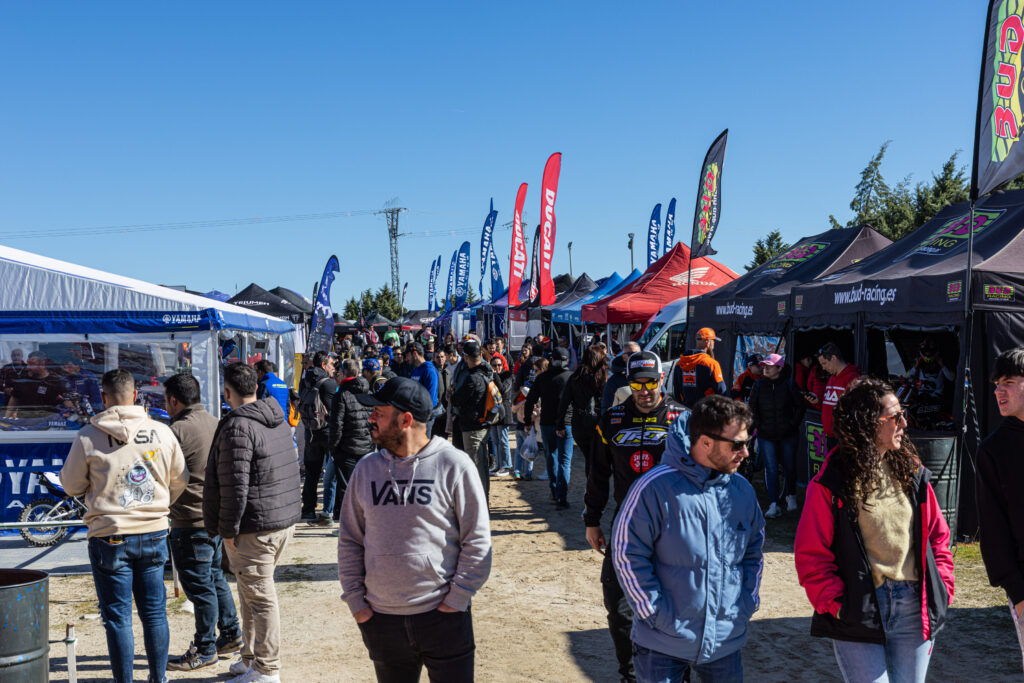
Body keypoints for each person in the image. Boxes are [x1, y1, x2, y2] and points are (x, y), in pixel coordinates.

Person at [794, 377, 954, 683]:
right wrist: (838, 605)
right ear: (867, 423)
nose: (904, 423)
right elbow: (811, 554)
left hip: (913, 605)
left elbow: (938, 536)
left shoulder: (911, 471)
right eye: (895, 417)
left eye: (902, 414)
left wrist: (943, 586)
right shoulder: (831, 481)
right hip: (859, 607)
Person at [338, 377, 492, 682]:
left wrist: (456, 600)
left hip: (443, 618)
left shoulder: (454, 464)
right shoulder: (366, 469)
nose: (371, 419)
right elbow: (350, 539)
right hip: (381, 621)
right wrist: (357, 605)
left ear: (406, 420)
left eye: (379, 413)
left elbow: (477, 541)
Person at [612, 395, 764, 682]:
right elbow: (626, 553)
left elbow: (753, 551)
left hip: (724, 643)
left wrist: (746, 603)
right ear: (705, 442)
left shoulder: (742, 490)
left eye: (748, 442)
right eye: (737, 444)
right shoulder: (653, 488)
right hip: (662, 644)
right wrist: (654, 613)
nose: (745, 453)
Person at [60, 368, 188, 683]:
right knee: (154, 613)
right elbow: (180, 478)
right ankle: (158, 678)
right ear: (135, 395)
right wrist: (158, 506)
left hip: (109, 534)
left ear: (103, 398)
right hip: (153, 531)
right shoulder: (161, 431)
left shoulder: (88, 436)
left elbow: (70, 485)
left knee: (118, 619)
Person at [584, 351, 687, 682]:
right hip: (627, 524)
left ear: (662, 380)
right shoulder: (611, 420)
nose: (644, 391)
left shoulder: (683, 418)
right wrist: (592, 520)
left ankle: (678, 674)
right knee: (618, 605)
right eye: (637, 384)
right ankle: (631, 674)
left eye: (651, 383)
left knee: (676, 604)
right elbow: (598, 474)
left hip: (674, 526)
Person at [204, 362, 301, 683]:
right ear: (256, 387)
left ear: (227, 392)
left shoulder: (238, 426)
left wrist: (227, 531)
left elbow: (235, 487)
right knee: (250, 594)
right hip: (278, 519)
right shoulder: (274, 417)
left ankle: (267, 668)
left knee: (259, 598)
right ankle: (250, 658)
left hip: (256, 525)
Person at [163, 373, 242, 671]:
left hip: (190, 519)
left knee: (200, 587)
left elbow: (164, 473)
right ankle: (231, 633)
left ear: (173, 400)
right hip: (213, 518)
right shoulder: (216, 422)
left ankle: (205, 647)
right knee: (214, 577)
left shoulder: (176, 430)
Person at [976, 347, 1024, 630]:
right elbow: (993, 530)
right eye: (996, 384)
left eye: (1009, 382)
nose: (998, 391)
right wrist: (1018, 593)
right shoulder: (994, 450)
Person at [749, 354, 805, 519]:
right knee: (771, 469)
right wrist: (760, 425)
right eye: (764, 365)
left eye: (769, 365)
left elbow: (800, 407)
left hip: (788, 435)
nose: (765, 368)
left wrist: (792, 425)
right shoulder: (758, 385)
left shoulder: (789, 384)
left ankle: (791, 495)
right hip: (766, 435)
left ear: (779, 368)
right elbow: (752, 408)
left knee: (789, 466)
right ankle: (774, 504)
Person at [524, 347, 574, 509]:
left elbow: (530, 400)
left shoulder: (543, 377)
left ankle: (555, 492)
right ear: (567, 360)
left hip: (547, 423)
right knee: (564, 461)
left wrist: (527, 421)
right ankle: (561, 496)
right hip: (566, 423)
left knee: (551, 458)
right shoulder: (571, 377)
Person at [327, 358, 373, 523]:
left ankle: (346, 523)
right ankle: (365, 520)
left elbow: (336, 425)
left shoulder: (341, 395)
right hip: (366, 447)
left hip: (346, 448)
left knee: (346, 487)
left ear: (343, 373)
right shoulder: (368, 393)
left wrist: (333, 447)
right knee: (364, 486)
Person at [450, 339, 493, 500]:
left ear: (466, 357)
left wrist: (452, 395)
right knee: (480, 465)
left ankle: (481, 503)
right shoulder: (487, 371)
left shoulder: (472, 378)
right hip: (482, 424)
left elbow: (457, 399)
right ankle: (482, 501)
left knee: (476, 468)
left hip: (473, 426)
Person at [299, 351, 338, 522]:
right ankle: (330, 510)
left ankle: (308, 509)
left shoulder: (305, 381)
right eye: (331, 364)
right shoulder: (329, 383)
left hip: (311, 432)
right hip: (327, 432)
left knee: (311, 473)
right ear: (323, 365)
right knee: (331, 474)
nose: (333, 367)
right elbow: (333, 411)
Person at [558, 345, 607, 478]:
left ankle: (590, 485)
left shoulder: (575, 377)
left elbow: (564, 402)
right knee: (596, 459)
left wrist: (560, 424)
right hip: (598, 423)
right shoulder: (603, 376)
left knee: (589, 458)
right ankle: (594, 485)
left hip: (579, 423)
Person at [817, 342, 860, 446]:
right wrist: (818, 402)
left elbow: (855, 411)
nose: (823, 368)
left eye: (824, 363)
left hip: (843, 439)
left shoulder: (852, 378)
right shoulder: (831, 378)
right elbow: (829, 405)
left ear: (833, 358)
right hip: (830, 436)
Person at [672, 328, 727, 408]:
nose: (714, 343)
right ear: (708, 343)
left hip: (686, 409)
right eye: (713, 341)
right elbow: (721, 390)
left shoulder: (679, 363)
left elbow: (676, 391)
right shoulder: (712, 364)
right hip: (706, 410)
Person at [4, 350, 63, 416]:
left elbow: (65, 399)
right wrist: (7, 418)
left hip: (46, 419)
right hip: (24, 419)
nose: (28, 367)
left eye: (32, 364)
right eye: (28, 363)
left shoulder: (54, 380)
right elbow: (14, 399)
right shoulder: (23, 378)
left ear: (42, 364)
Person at [488, 354, 515, 476]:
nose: (497, 367)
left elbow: (503, 390)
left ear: (503, 365)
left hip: (504, 410)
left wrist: (495, 376)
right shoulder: (490, 377)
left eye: (499, 365)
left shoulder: (508, 376)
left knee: (503, 439)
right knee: (495, 440)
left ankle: (506, 465)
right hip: (493, 410)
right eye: (494, 365)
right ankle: (499, 465)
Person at [407, 342, 441, 433]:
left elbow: (431, 397)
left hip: (426, 418)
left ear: (415, 354)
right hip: (415, 416)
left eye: (408, 355)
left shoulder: (429, 370)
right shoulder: (415, 370)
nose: (406, 358)